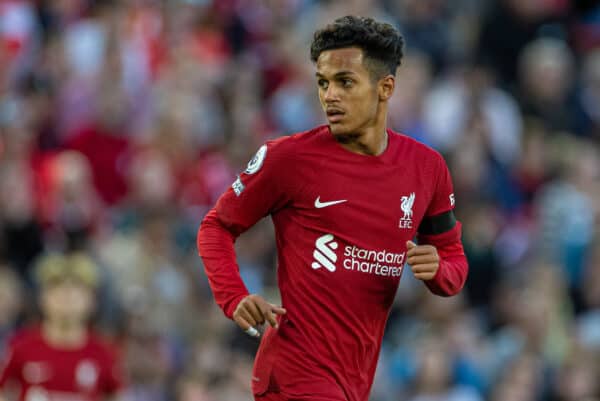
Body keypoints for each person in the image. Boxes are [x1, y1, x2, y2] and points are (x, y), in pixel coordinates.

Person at [197, 15, 468, 401]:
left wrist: (440, 271)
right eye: (323, 83)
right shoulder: (288, 159)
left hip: (356, 380)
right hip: (294, 374)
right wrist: (234, 296)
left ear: (385, 87)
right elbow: (215, 227)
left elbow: (454, 260)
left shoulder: (427, 169)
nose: (329, 96)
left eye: (345, 82)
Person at [0, 253, 124, 401]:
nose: (67, 296)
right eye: (56, 288)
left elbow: (117, 395)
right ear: (43, 298)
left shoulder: (104, 353)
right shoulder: (20, 347)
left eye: (76, 290)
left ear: (92, 300)